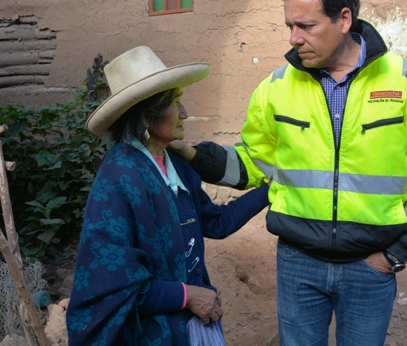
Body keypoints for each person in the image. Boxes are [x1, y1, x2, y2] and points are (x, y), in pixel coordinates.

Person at [169, 0, 407, 345]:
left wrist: (394, 255)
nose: (294, 38)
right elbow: (254, 164)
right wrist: (195, 155)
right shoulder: (275, 88)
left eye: (306, 26)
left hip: (370, 267)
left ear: (344, 19)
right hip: (297, 263)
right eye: (289, 26)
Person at [65, 46, 270, 345]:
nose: (185, 113)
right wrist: (185, 295)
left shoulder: (174, 164)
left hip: (191, 323)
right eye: (176, 103)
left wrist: (273, 190)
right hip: (150, 335)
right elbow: (113, 285)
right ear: (148, 117)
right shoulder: (119, 178)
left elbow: (216, 222)